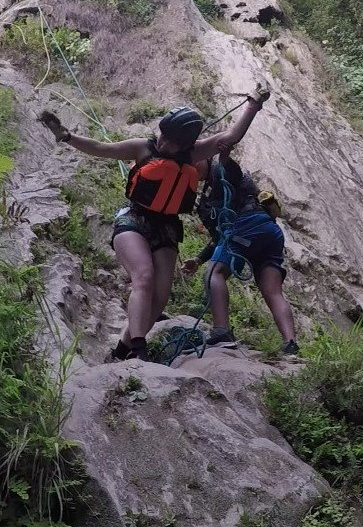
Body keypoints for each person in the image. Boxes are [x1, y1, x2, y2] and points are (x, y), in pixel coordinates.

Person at [37, 85, 270, 360]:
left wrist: (254, 104)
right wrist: (67, 136)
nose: (163, 141)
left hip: (167, 227)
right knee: (144, 276)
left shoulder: (193, 153)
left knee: (159, 298)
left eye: (170, 140)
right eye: (163, 134)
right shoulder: (142, 147)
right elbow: (101, 148)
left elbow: (231, 136)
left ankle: (123, 350)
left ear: (184, 145)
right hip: (135, 219)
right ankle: (139, 349)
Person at [182, 149, 299, 355]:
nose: (191, 168)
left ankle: (221, 332)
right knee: (272, 290)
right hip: (268, 231)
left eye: (193, 162)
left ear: (204, 157)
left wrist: (225, 153)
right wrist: (199, 259)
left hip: (246, 225)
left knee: (214, 273)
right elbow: (219, 237)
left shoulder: (221, 169)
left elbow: (231, 168)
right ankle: (290, 343)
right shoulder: (207, 194)